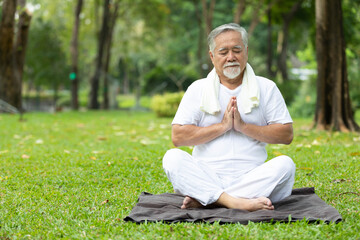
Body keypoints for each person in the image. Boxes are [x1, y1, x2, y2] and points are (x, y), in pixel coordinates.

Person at [162, 23, 295, 212]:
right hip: (206, 174)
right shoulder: (198, 89)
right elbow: (178, 137)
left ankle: (209, 199)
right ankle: (236, 202)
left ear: (246, 52)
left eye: (237, 50)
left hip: (252, 176)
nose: (231, 57)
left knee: (286, 165)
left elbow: (286, 135)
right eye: (223, 52)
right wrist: (223, 126)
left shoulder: (266, 87)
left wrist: (243, 126)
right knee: (172, 158)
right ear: (212, 56)